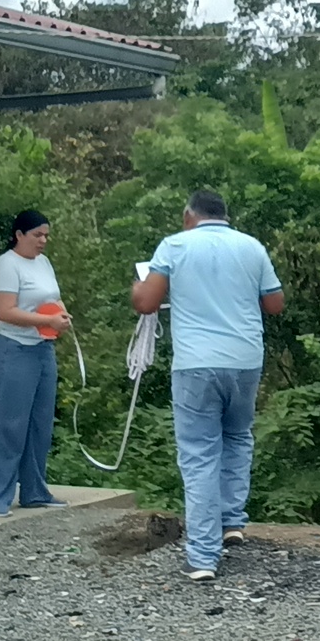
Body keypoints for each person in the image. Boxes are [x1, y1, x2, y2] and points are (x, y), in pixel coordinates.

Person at [132, 190, 284, 581]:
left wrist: (138, 285)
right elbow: (274, 304)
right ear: (225, 216)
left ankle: (202, 556)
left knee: (199, 452)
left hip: (196, 363)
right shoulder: (252, 247)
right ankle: (232, 522)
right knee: (237, 436)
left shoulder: (174, 246)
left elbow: (146, 303)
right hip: (245, 360)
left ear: (189, 216)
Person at [0, 210, 71, 517]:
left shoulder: (43, 263)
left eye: (46, 235)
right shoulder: (7, 265)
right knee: (9, 424)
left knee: (39, 424)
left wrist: (61, 315)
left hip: (42, 350)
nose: (43, 241)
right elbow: (5, 311)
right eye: (37, 235)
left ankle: (34, 491)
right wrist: (46, 320)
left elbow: (52, 298)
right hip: (13, 349)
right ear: (19, 235)